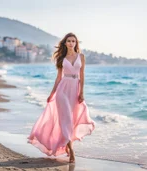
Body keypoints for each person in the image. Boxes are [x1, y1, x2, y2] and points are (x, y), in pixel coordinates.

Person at [28, 33, 95, 163]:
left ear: (76, 43)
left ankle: (68, 145)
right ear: (65, 43)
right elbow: (59, 78)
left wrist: (81, 93)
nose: (71, 43)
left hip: (75, 89)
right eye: (69, 41)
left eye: (73, 41)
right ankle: (72, 151)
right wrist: (52, 93)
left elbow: (82, 76)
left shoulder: (81, 57)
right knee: (66, 120)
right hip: (62, 91)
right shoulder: (61, 58)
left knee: (73, 120)